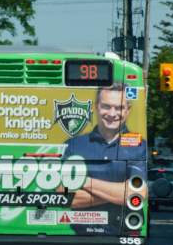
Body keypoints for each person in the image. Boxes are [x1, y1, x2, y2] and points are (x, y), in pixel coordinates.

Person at [61, 83, 147, 232]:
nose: (112, 114)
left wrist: (83, 181)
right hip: (77, 236)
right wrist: (119, 193)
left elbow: (137, 193)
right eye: (106, 106)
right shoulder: (73, 145)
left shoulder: (138, 145)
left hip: (124, 231)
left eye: (119, 108)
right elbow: (64, 197)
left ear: (128, 110)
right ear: (96, 107)